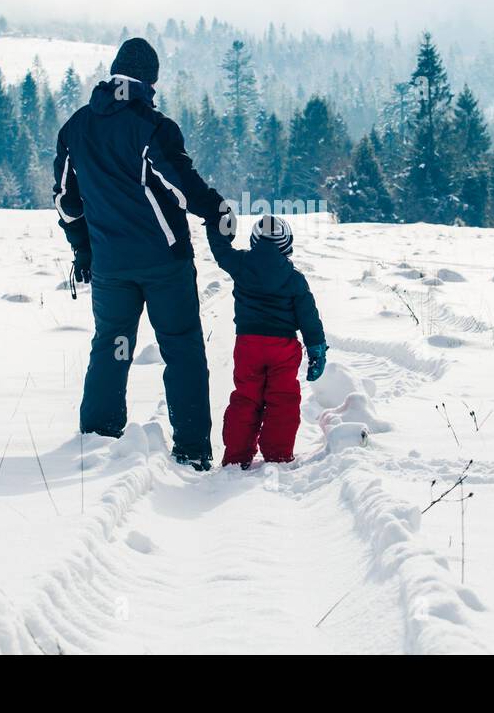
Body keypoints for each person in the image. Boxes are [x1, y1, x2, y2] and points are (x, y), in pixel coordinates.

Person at [53, 37, 226, 470]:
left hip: (111, 267)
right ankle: (191, 451)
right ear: (150, 79)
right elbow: (182, 187)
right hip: (164, 262)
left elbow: (66, 202)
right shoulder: (153, 127)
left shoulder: (75, 127)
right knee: (182, 349)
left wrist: (83, 251)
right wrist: (217, 210)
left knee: (112, 346)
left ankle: (96, 440)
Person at [206, 213, 328, 468]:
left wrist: (217, 225)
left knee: (246, 397)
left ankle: (236, 457)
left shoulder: (241, 263)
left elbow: (220, 251)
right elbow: (308, 317)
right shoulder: (294, 278)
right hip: (282, 348)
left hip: (248, 345)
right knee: (282, 398)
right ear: (286, 243)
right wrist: (316, 349)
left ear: (254, 238)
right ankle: (278, 454)